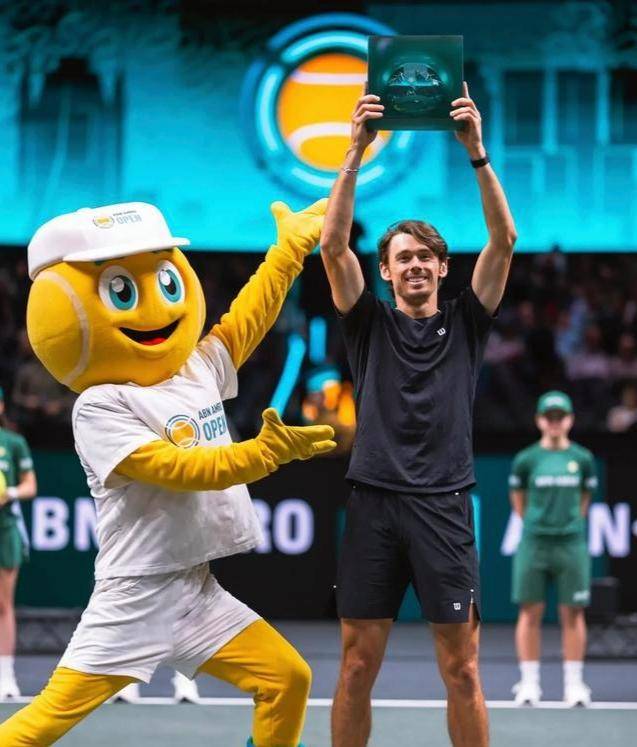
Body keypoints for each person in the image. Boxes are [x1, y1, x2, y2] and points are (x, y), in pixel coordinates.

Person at [0, 199, 335, 747]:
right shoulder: (100, 405)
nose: (154, 306)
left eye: (164, 282)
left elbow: (245, 322)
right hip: (136, 595)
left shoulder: (193, 370)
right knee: (42, 725)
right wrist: (262, 455)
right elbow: (174, 468)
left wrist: (288, 253)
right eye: (122, 291)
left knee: (286, 679)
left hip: (194, 589)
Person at [320, 84, 517, 747]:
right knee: (355, 667)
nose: (414, 265)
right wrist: (355, 151)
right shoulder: (366, 323)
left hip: (443, 506)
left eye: (425, 257)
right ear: (384, 270)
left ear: (441, 267)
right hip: (373, 503)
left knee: (462, 669)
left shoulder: (468, 321)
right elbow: (331, 247)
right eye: (402, 257)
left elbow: (504, 239)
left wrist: (476, 153)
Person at [509, 390, 598, 708]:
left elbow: (584, 500)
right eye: (550, 417)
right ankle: (529, 683)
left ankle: (574, 684)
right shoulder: (526, 459)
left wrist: (568, 524)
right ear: (539, 420)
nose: (555, 422)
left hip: (571, 543)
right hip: (535, 542)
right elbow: (518, 501)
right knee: (529, 612)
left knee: (572, 613)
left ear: (570, 419)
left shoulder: (583, 459)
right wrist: (537, 524)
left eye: (561, 416)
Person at [0, 387, 37, 699]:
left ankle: (5, 676)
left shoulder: (13, 443)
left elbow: (29, 486)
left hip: (5, 528)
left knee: (3, 605)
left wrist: (8, 493)